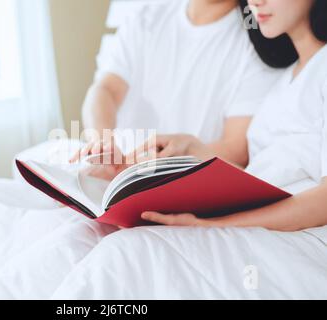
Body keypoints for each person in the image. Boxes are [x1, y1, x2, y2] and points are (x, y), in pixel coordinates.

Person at [139, 0, 327, 232]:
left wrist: (211, 225)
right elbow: (267, 181)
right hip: (257, 229)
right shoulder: (283, 82)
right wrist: (192, 149)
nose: (256, 2)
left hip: (296, 238)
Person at [70, 0, 281, 178]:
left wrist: (150, 164)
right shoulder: (147, 17)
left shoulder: (255, 43)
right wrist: (101, 140)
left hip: (179, 180)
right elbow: (104, 89)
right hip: (115, 176)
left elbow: (236, 148)